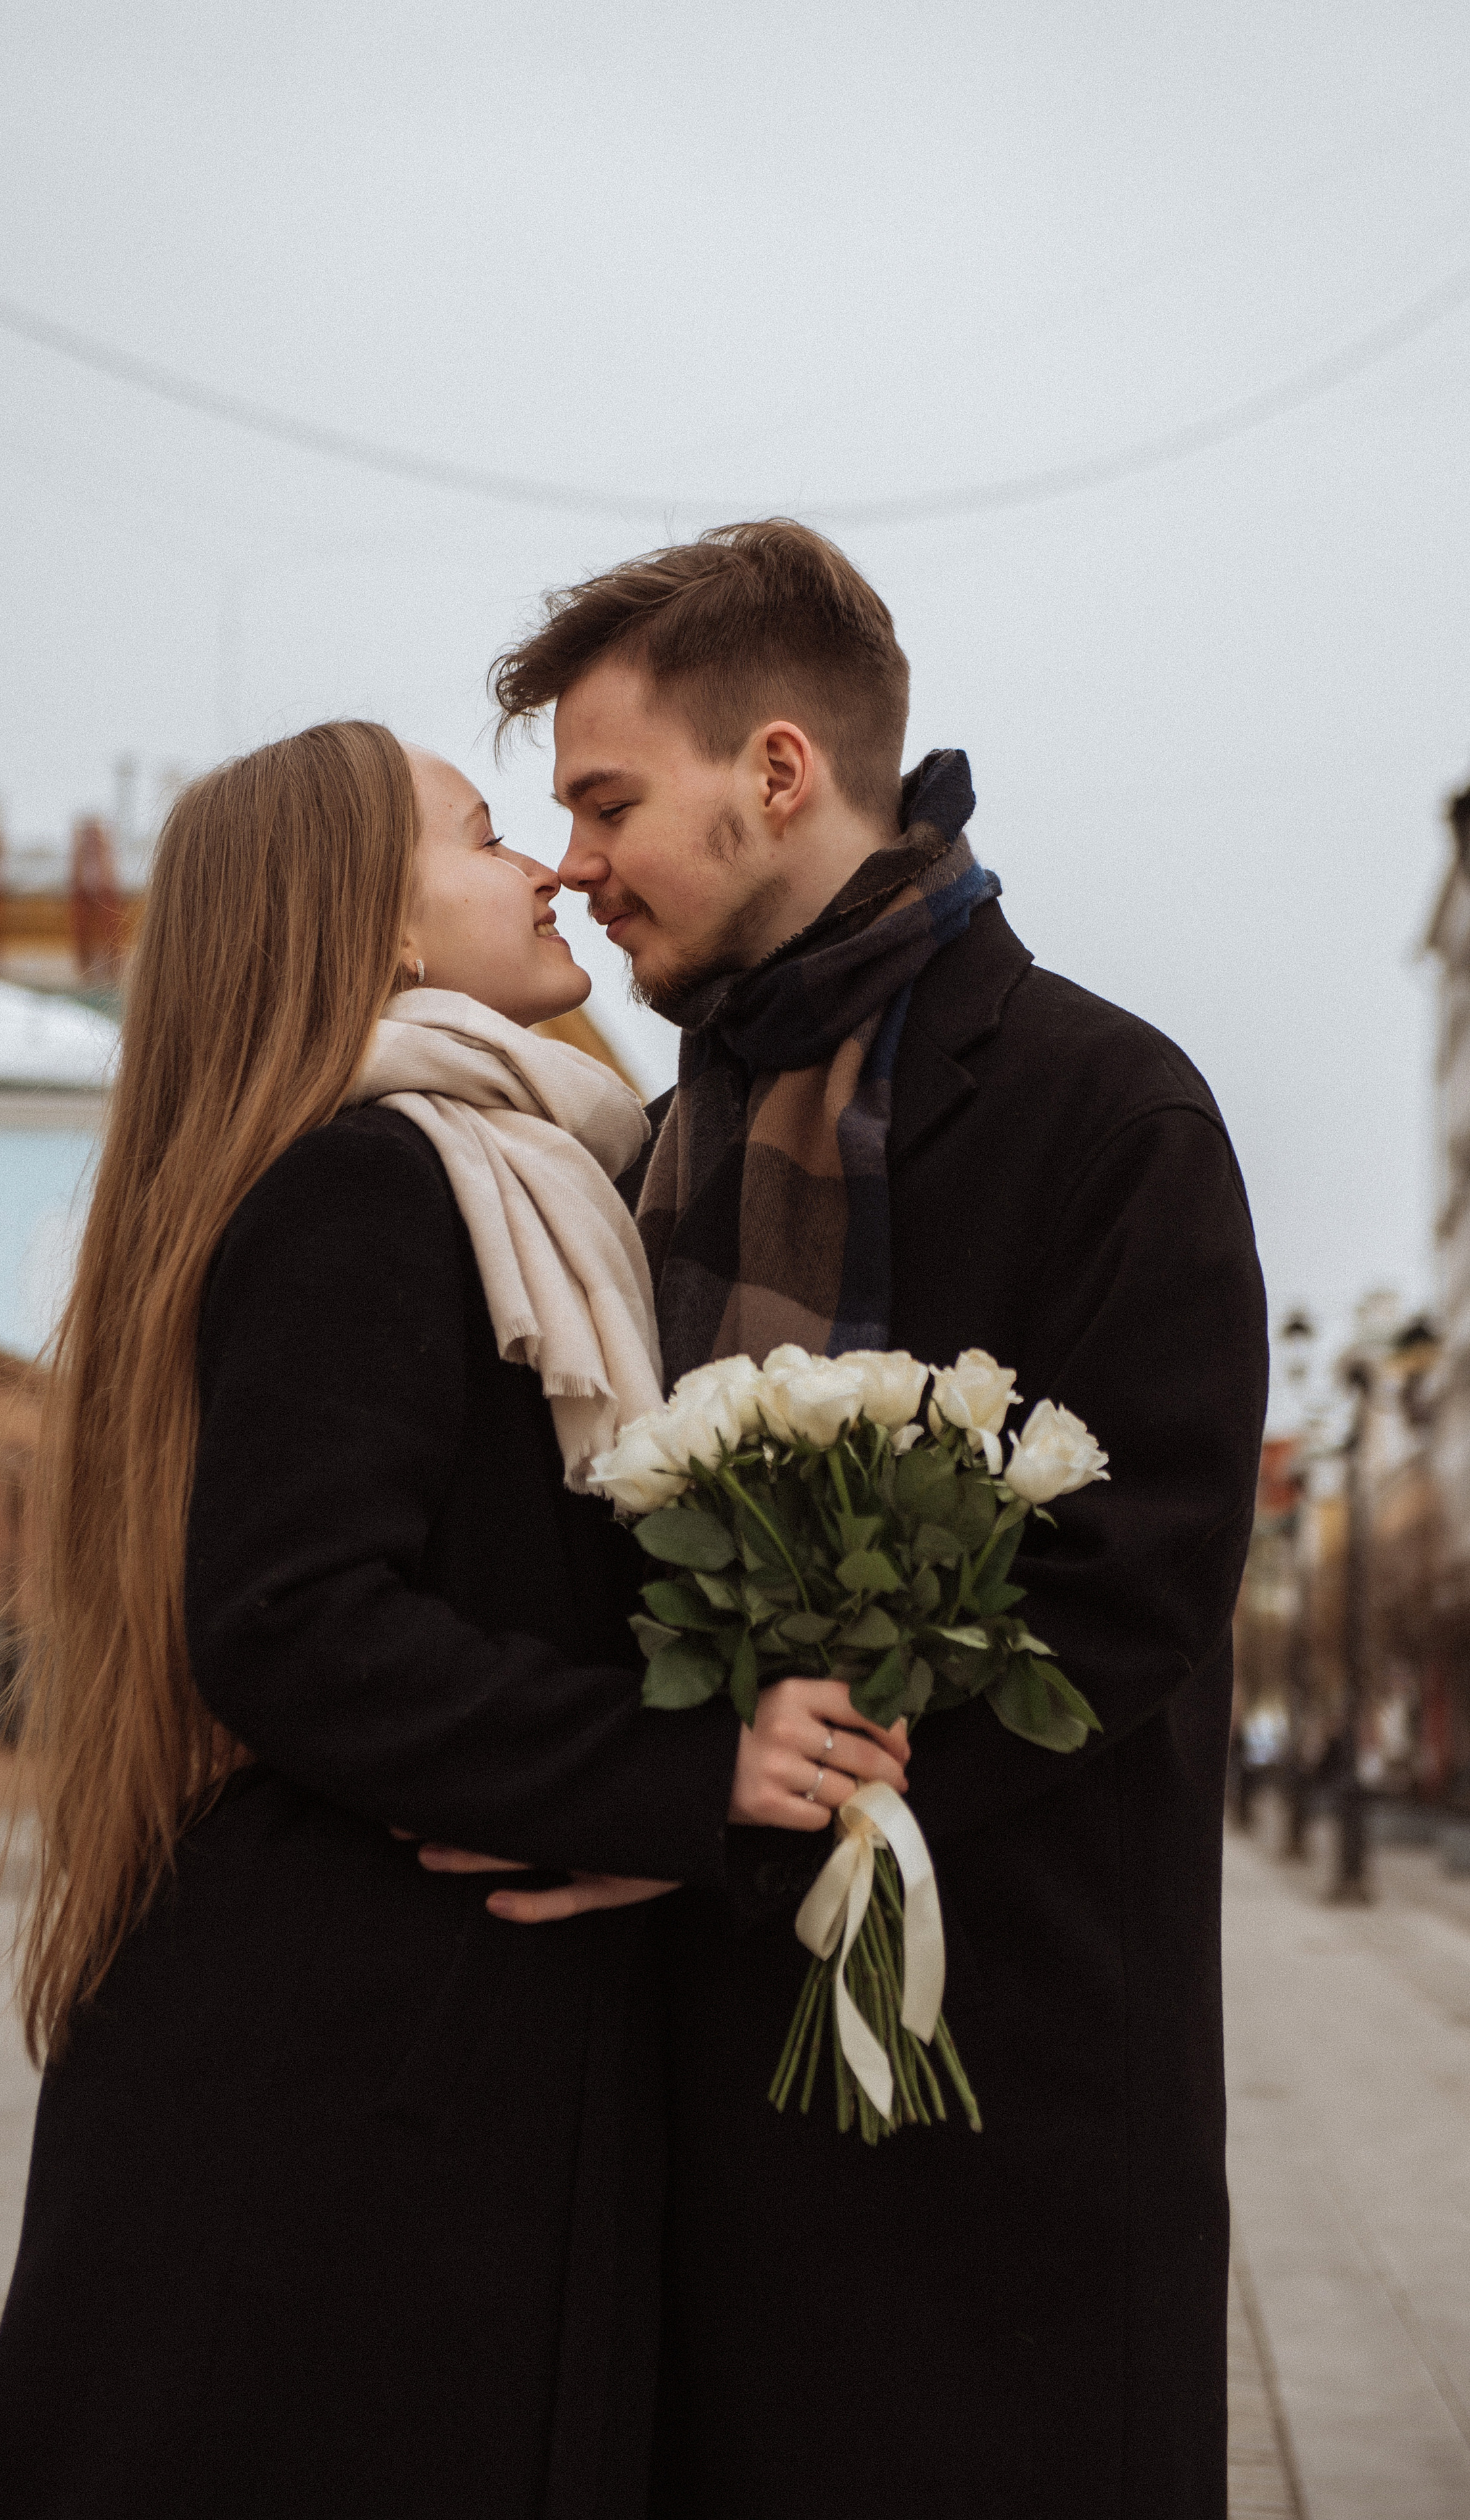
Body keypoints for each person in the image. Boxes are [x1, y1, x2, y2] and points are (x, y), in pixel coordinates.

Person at [0, 720, 909, 2520]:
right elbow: (292, 1620)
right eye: (480, 835)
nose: (545, 863)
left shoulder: (535, 1172)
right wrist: (684, 1765)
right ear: (373, 928)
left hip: (427, 2045)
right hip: (349, 2070)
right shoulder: (371, 1182)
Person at [488, 521, 1270, 2520]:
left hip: (1002, 2143)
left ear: (775, 771)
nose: (571, 857)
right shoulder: (665, 1141)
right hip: (692, 2140)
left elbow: (1125, 1603)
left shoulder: (1109, 1112)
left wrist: (736, 1813)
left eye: (603, 797)